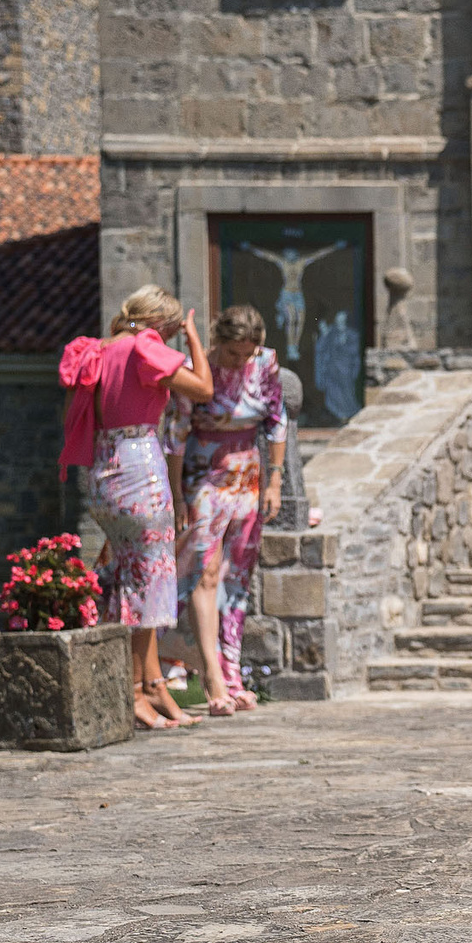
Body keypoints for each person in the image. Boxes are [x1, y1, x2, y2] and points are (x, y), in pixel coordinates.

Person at [60, 286, 214, 731]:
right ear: (162, 323)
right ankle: (134, 691)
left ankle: (152, 685)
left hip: (103, 471)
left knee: (134, 578)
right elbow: (202, 389)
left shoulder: (101, 349)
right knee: (147, 579)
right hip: (137, 468)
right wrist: (193, 338)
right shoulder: (145, 348)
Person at [180, 305, 289, 715]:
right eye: (232, 353)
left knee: (238, 577)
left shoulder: (266, 365)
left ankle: (233, 674)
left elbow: (276, 422)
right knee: (205, 572)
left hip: (248, 475)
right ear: (218, 341)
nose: (240, 361)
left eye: (247, 353)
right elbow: (176, 430)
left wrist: (274, 481)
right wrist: (176, 492)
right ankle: (211, 677)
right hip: (203, 474)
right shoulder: (198, 368)